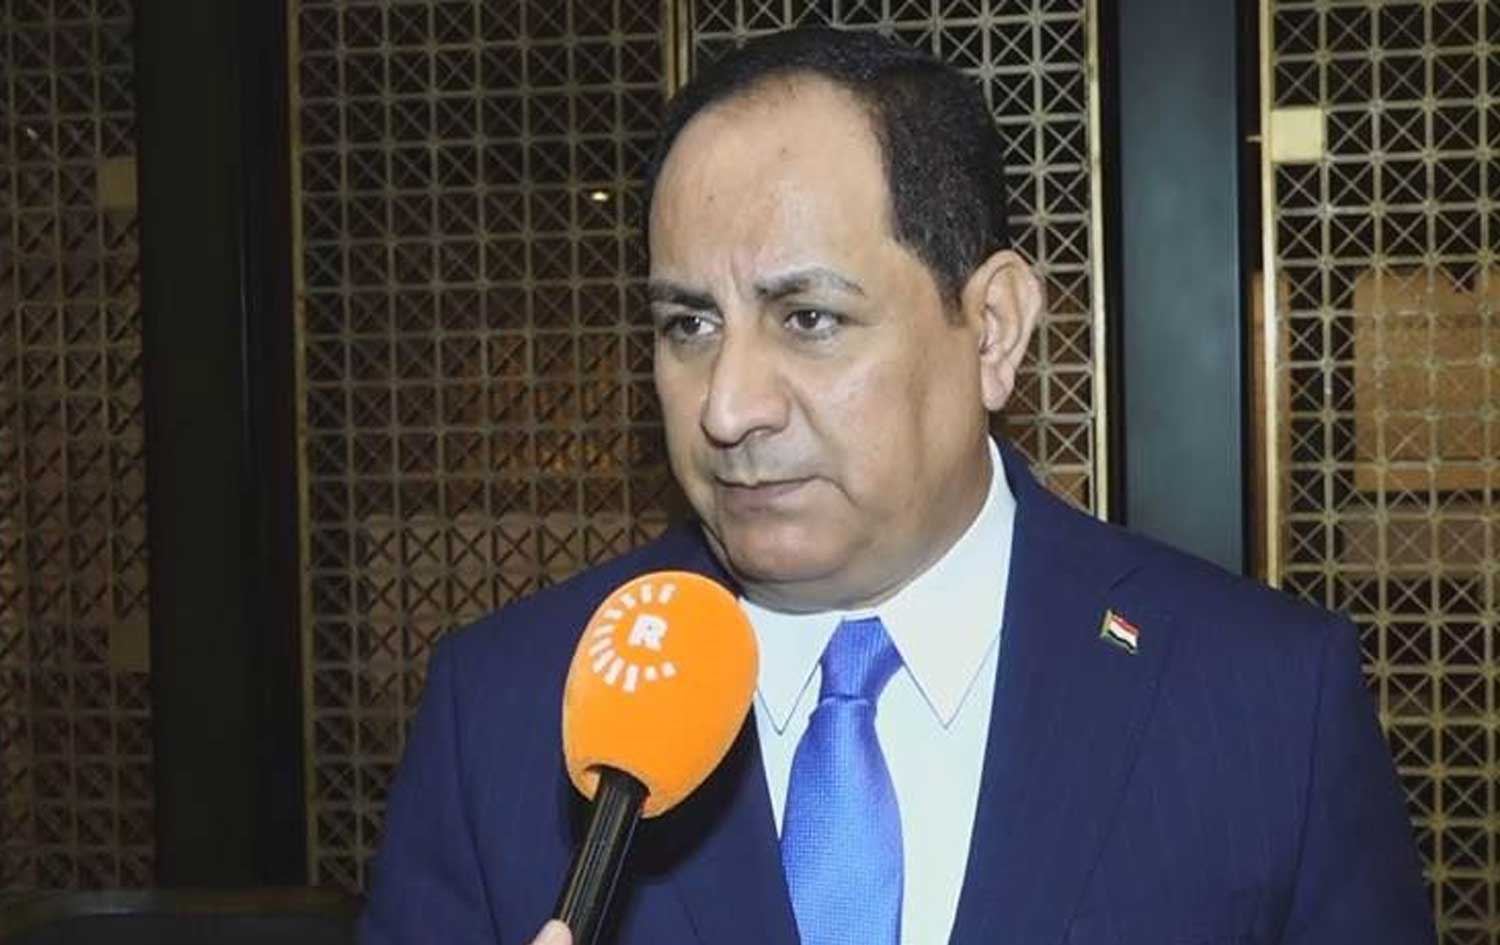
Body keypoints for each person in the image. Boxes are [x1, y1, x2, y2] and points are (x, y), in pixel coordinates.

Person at [360, 28, 1434, 945]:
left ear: (994, 329)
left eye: (809, 318)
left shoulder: (1265, 706)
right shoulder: (504, 712)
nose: (727, 406)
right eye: (689, 324)